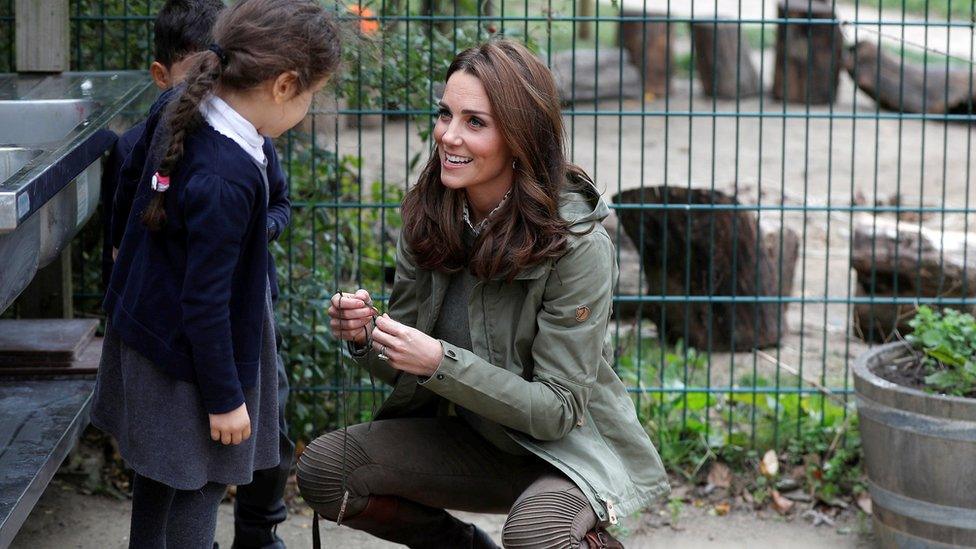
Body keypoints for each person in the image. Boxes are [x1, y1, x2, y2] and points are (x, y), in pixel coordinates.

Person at [296, 39, 669, 549]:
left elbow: (558, 409)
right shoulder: (429, 216)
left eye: (476, 122)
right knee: (326, 470)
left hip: (567, 452)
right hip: (478, 443)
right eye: (445, 113)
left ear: (519, 136)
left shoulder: (577, 241)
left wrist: (438, 362)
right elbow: (406, 370)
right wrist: (369, 336)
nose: (449, 136)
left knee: (537, 533)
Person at [90, 1, 340, 547]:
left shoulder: (184, 104)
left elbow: (133, 189)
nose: (307, 107)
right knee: (199, 489)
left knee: (158, 484)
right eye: (311, 95)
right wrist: (226, 398)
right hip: (195, 364)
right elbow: (206, 304)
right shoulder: (229, 176)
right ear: (283, 84)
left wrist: (128, 279)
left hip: (153, 336)